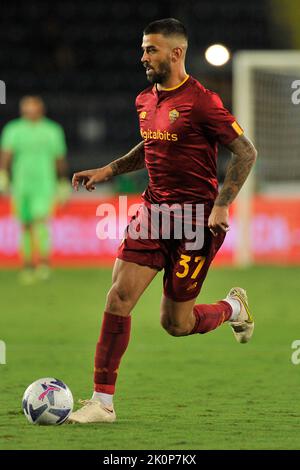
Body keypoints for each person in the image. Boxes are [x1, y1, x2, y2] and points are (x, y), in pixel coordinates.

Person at [69, 18, 257, 424]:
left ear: (176, 53)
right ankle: (102, 402)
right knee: (118, 298)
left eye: (151, 49)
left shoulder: (203, 102)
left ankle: (232, 307)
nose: (143, 57)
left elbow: (246, 152)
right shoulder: (144, 99)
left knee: (176, 323)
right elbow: (150, 142)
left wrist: (222, 205)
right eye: (142, 49)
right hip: (152, 213)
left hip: (194, 223)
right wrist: (108, 170)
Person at [0, 96, 69, 283]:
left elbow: (59, 158)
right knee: (25, 225)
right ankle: (28, 265)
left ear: (41, 109)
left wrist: (63, 180)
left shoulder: (52, 130)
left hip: (44, 184)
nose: (30, 111)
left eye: (34, 107)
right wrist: (3, 174)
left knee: (40, 222)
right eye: (27, 108)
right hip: (21, 185)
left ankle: (44, 263)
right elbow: (6, 154)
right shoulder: (13, 130)